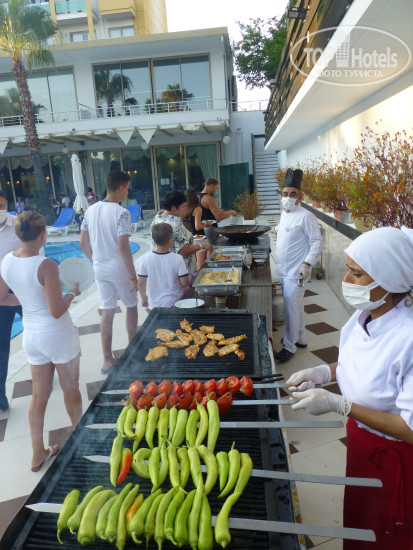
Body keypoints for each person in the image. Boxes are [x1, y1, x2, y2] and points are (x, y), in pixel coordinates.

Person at [287, 226, 413, 550]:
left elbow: (410, 429)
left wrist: (340, 405)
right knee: (358, 521)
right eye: (348, 270)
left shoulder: (408, 338)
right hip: (360, 443)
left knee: (384, 536)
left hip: (396, 460)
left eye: (356, 274)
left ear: (390, 280)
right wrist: (323, 373)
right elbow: (357, 365)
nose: (346, 280)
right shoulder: (363, 315)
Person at [0, 211, 82, 471]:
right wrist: (72, 293)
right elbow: (56, 311)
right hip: (57, 336)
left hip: (32, 337)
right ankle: (80, 442)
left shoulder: (6, 260)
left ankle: (37, 454)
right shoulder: (46, 264)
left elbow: (2, 298)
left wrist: (28, 301)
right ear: (43, 234)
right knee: (71, 389)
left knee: (38, 396)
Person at [80, 170, 138, 375]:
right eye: (127, 189)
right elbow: (123, 248)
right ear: (121, 188)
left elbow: (83, 243)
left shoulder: (90, 210)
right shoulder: (122, 213)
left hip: (100, 269)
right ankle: (132, 354)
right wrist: (133, 277)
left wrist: (96, 261)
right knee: (131, 306)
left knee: (107, 311)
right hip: (119, 269)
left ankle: (107, 360)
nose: (127, 193)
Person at [273, 168, 322, 362]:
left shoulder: (306, 216)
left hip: (297, 272)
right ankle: (301, 338)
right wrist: (277, 229)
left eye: (293, 194)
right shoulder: (285, 213)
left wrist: (307, 263)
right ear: (281, 195)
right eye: (285, 193)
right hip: (285, 271)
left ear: (300, 197)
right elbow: (286, 228)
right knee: (297, 306)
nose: (288, 197)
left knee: (291, 310)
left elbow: (316, 242)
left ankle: (289, 346)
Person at [151, 190, 213, 275]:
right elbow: (183, 250)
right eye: (183, 207)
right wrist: (202, 245)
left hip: (163, 268)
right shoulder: (174, 225)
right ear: (173, 207)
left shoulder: (157, 218)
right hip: (179, 272)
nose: (185, 209)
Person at [0, 192, 22, 411]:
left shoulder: (19, 225)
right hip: (0, 293)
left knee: (39, 326)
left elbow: (35, 250)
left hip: (22, 287)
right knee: (1, 343)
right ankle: (0, 395)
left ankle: (48, 369)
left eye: (1, 205)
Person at [138, 223, 189, 308]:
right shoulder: (177, 258)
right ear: (170, 240)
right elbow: (185, 283)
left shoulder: (145, 258)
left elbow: (141, 283)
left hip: (154, 305)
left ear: (154, 239)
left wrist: (143, 298)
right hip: (174, 302)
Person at [183, 188, 214, 270]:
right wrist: (206, 224)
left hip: (189, 238)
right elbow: (198, 227)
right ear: (194, 196)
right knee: (201, 264)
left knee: (194, 262)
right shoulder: (197, 209)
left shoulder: (183, 209)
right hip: (199, 237)